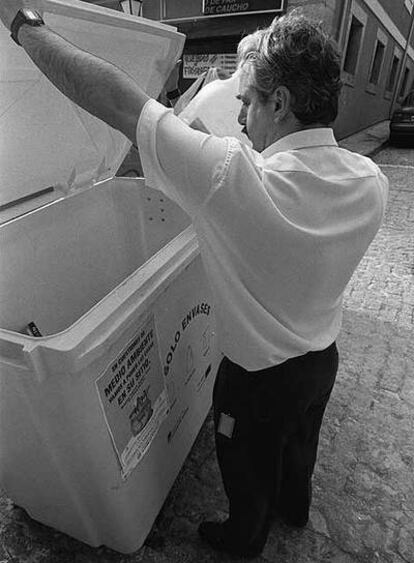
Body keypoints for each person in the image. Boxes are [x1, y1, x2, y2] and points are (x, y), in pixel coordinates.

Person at [0, 2, 388, 558]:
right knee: (300, 444)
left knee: (246, 463)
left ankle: (244, 536)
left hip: (255, 380)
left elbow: (114, 100)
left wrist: (23, 26)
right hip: (320, 361)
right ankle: (296, 508)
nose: (240, 118)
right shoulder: (371, 182)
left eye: (248, 102)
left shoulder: (234, 178)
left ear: (280, 103)